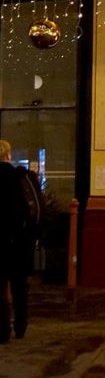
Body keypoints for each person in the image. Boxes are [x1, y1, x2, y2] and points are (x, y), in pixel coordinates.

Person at [0, 140, 39, 342]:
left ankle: (2, 329)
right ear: (8, 155)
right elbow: (33, 210)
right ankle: (20, 324)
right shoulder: (20, 177)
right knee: (19, 285)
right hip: (18, 241)